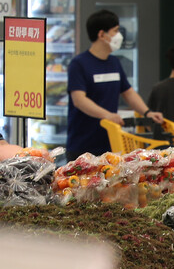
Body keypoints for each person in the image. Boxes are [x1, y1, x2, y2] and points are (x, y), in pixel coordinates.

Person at [66, 9, 163, 160]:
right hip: (82, 146)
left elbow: (128, 92)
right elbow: (79, 100)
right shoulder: (79, 64)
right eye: (115, 31)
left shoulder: (114, 63)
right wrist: (107, 115)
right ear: (102, 35)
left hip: (111, 143)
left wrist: (147, 113)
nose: (119, 35)